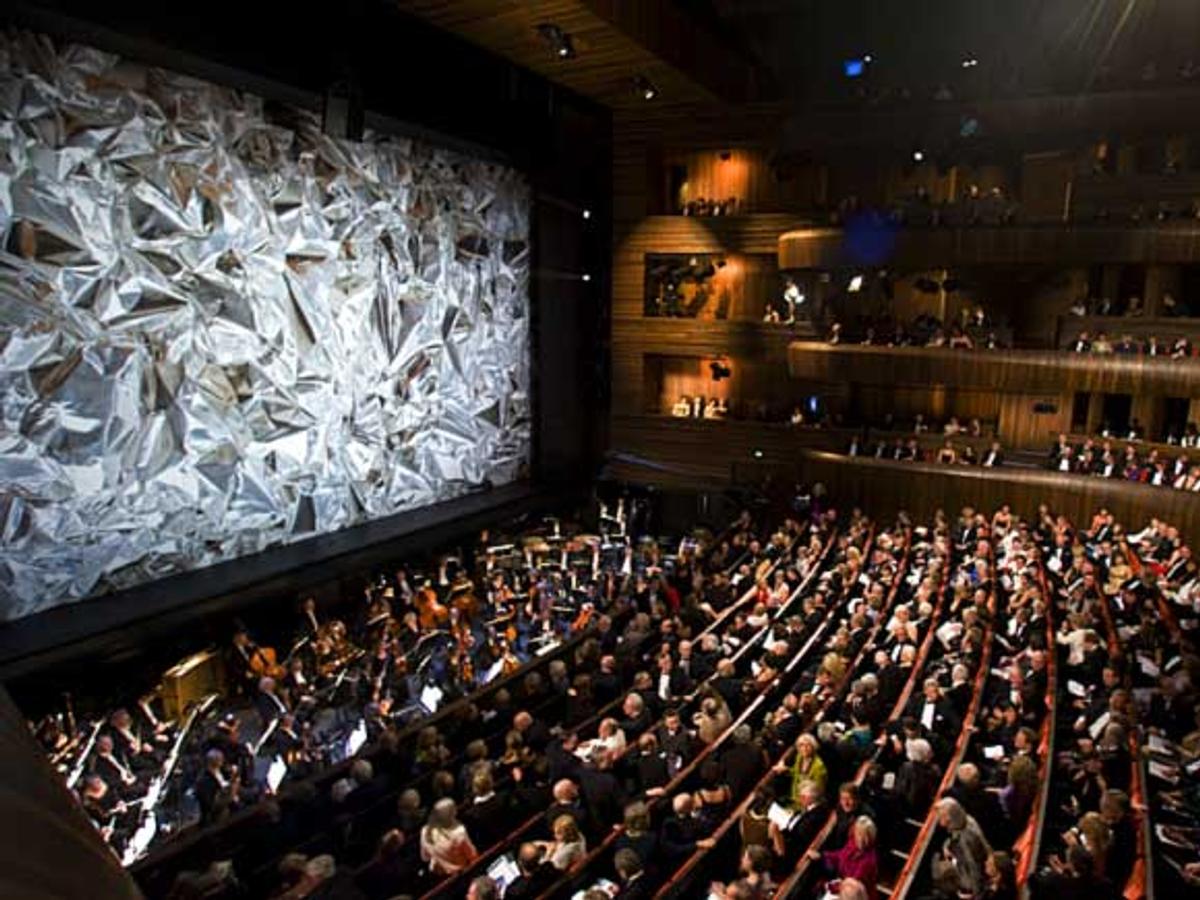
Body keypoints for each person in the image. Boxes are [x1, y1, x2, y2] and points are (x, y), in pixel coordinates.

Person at [808, 816, 880, 900]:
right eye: (859, 834)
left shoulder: (868, 861)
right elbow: (840, 855)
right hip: (842, 886)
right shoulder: (853, 843)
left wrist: (827, 885)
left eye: (865, 836)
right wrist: (821, 855)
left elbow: (850, 887)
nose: (861, 839)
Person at [420, 798, 478, 876]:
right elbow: (473, 857)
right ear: (454, 813)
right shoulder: (459, 834)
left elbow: (425, 858)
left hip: (437, 875)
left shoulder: (425, 830)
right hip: (461, 874)